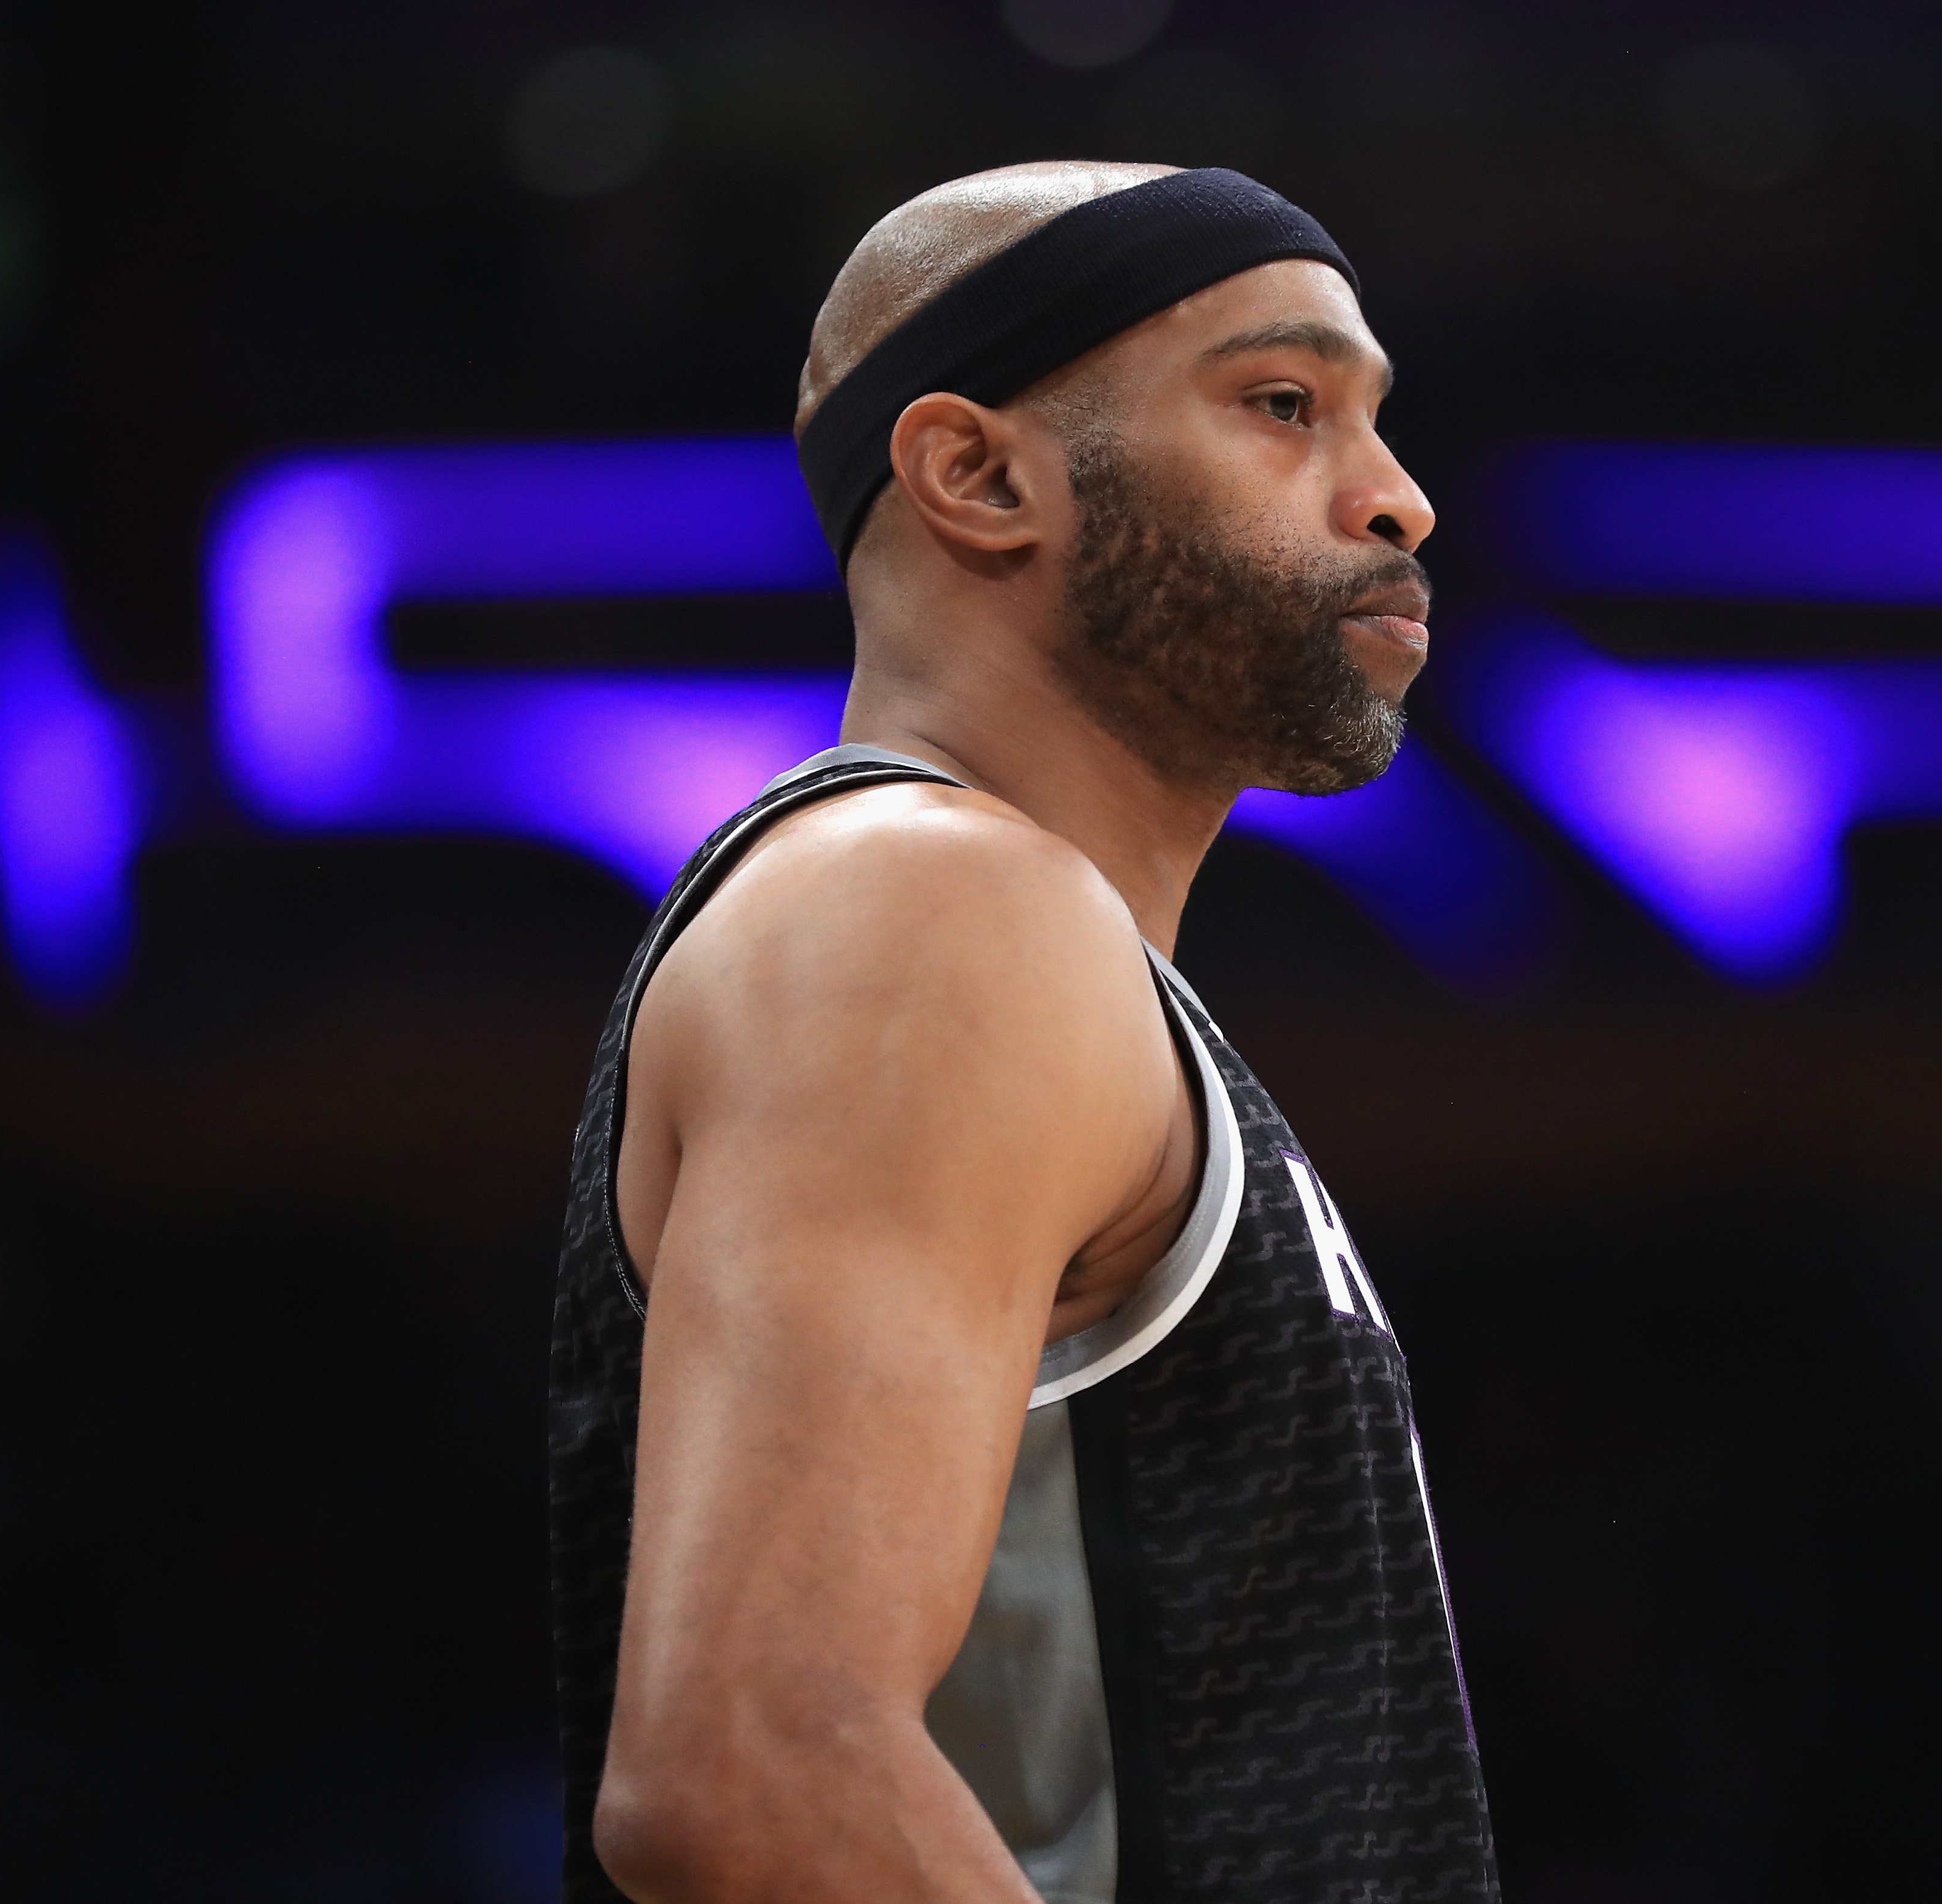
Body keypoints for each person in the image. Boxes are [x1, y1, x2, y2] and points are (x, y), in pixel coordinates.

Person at [548, 161, 1499, 1904]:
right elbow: (749, 1768)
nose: (1400, 502)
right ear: (980, 476)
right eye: (1284, 408)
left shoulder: (1019, 949)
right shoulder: (926, 910)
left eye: (1379, 422)